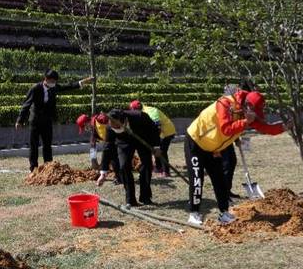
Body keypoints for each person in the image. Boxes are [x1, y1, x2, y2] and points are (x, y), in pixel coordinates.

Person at [184, 90, 289, 226]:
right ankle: (194, 213)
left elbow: (265, 128)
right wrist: (245, 122)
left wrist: (284, 127)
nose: (255, 116)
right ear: (248, 106)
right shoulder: (225, 103)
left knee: (220, 181)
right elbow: (225, 129)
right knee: (197, 179)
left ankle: (224, 213)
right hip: (195, 142)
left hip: (213, 148)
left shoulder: (248, 114)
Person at [15, 69, 93, 171]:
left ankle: (49, 167)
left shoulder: (54, 88)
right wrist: (19, 121)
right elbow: (26, 105)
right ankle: (33, 168)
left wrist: (82, 82)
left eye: (55, 81)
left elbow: (67, 86)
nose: (54, 83)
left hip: (47, 121)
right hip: (35, 121)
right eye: (52, 81)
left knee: (47, 145)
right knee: (34, 145)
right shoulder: (35, 88)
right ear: (46, 79)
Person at [96, 109, 162, 207]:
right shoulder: (110, 126)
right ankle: (130, 200)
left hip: (143, 139)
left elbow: (154, 129)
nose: (115, 127)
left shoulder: (140, 116)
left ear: (124, 121)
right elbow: (107, 148)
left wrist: (156, 147)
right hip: (124, 143)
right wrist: (103, 173)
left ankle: (145, 197)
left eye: (118, 126)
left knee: (147, 165)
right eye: (114, 127)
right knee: (123, 167)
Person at [129, 100, 177, 177]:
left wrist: (154, 140)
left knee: (161, 151)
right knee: (155, 148)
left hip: (167, 132)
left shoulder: (151, 111)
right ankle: (158, 168)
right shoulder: (142, 113)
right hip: (160, 132)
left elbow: (157, 128)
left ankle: (166, 171)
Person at [76, 112, 121, 184]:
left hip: (118, 139)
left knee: (113, 157)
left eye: (85, 127)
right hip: (112, 144)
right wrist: (93, 159)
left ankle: (119, 177)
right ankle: (119, 177)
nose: (86, 129)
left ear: (86, 123)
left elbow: (111, 120)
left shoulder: (99, 119)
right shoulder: (94, 131)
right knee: (113, 158)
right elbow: (92, 144)